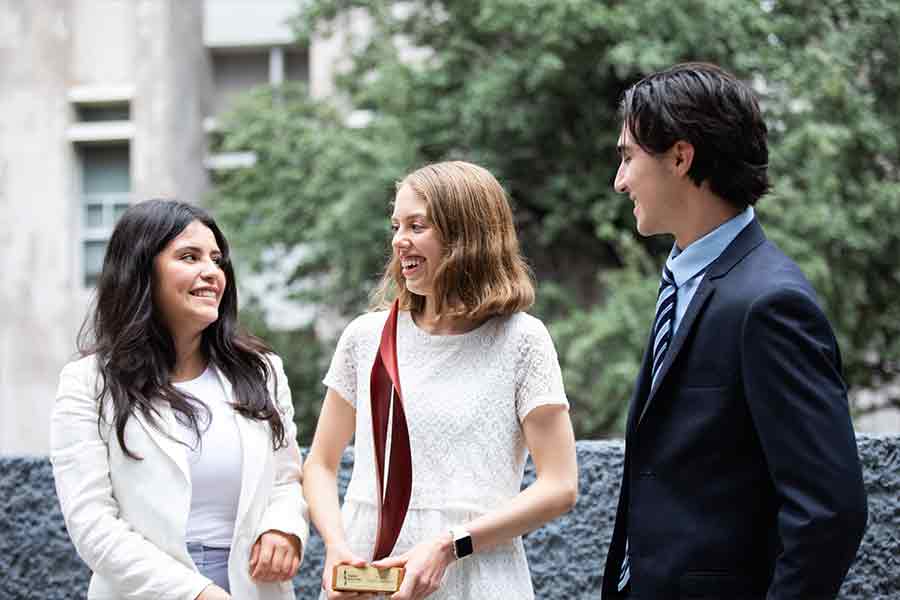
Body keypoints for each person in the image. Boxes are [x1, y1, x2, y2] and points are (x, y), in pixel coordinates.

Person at [602, 62, 868, 599]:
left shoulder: (772, 303)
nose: (620, 180)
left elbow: (829, 511)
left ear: (680, 156)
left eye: (628, 156)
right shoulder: (683, 280)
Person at [303, 161, 579, 600]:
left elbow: (560, 486)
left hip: (476, 574)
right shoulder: (366, 337)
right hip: (371, 574)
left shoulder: (522, 341)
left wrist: (449, 546)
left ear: (466, 235)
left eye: (417, 225)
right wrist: (337, 548)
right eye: (396, 225)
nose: (399, 241)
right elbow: (319, 463)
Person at [50, 199, 309, 600]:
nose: (211, 272)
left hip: (254, 588)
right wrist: (196, 593)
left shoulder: (262, 370)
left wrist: (283, 527)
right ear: (141, 271)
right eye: (189, 257)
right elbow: (92, 523)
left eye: (217, 260)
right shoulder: (88, 383)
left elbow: (286, 478)